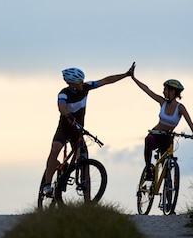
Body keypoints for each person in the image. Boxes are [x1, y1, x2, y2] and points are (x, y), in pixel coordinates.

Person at [42, 64, 135, 196]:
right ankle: (47, 185)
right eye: (79, 82)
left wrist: (126, 75)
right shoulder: (64, 93)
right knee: (55, 148)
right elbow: (62, 107)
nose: (82, 84)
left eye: (82, 81)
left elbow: (106, 80)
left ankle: (88, 203)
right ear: (72, 84)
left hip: (78, 130)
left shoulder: (86, 87)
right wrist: (68, 116)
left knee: (84, 163)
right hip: (64, 129)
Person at [130, 63, 193, 180]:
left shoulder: (180, 108)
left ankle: (168, 188)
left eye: (166, 90)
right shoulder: (162, 102)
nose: (163, 92)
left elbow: (190, 121)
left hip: (168, 137)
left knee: (167, 166)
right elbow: (147, 90)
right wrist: (133, 78)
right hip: (156, 134)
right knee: (148, 140)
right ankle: (148, 170)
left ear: (173, 92)